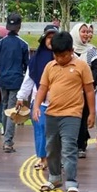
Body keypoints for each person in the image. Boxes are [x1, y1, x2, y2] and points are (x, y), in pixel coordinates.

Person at [33, 31, 96, 192]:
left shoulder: (82, 66)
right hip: (52, 113)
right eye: (56, 55)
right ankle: (54, 178)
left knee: (69, 148)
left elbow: (89, 91)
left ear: (71, 51)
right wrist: (36, 106)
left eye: (64, 55)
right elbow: (42, 88)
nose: (60, 59)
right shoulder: (50, 66)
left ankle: (71, 182)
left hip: (72, 114)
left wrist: (92, 113)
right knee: (51, 148)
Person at [18, 24, 59, 170]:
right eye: (48, 37)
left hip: (59, 102)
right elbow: (29, 78)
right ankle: (43, 158)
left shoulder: (65, 57)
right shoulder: (36, 59)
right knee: (41, 128)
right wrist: (21, 97)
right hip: (40, 101)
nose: (51, 40)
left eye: (54, 37)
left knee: (55, 132)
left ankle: (55, 157)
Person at [0, 13, 29, 153]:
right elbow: (27, 67)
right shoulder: (23, 44)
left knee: (5, 107)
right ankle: (8, 141)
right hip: (16, 80)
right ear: (19, 26)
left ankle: (5, 135)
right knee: (13, 110)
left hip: (2, 80)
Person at [71, 23, 97, 158]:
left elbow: (96, 69)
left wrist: (88, 84)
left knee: (83, 117)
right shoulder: (69, 49)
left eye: (87, 32)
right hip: (71, 91)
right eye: (83, 31)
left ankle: (81, 146)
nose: (86, 34)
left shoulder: (91, 50)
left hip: (86, 91)